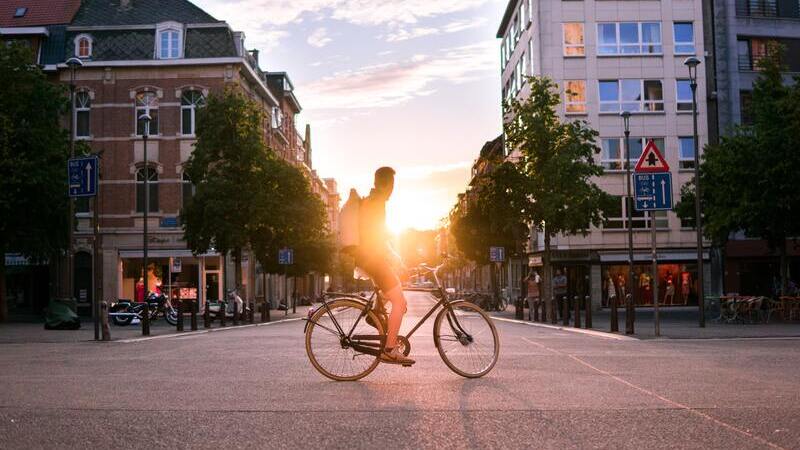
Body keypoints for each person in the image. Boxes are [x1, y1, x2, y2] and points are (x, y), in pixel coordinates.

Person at [355, 167, 415, 366]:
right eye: (392, 185)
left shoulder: (371, 200)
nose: (392, 190)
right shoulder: (377, 203)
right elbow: (376, 237)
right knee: (399, 302)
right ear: (387, 184)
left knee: (396, 297)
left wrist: (395, 258)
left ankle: (375, 314)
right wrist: (393, 258)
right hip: (372, 259)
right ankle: (389, 349)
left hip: (367, 257)